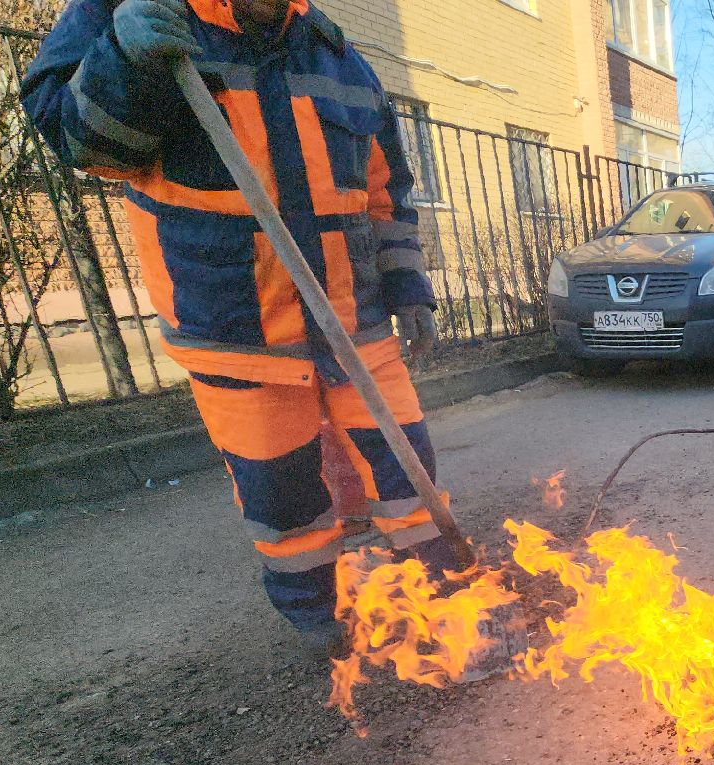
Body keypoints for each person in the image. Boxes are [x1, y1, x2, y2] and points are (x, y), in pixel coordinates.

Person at [22, 0, 448, 653]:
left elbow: (384, 191)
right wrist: (124, 59)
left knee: (405, 464)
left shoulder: (333, 54)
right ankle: (316, 621)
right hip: (234, 325)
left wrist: (407, 286)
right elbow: (79, 144)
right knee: (282, 493)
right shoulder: (134, 18)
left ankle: (443, 595)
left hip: (352, 318)